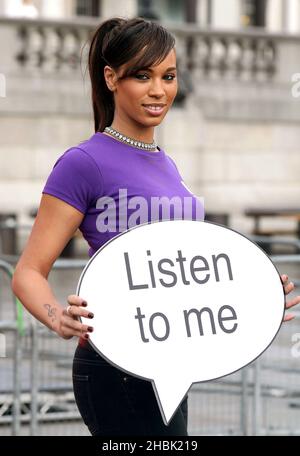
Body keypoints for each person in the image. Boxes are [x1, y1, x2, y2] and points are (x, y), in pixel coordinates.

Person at [12, 16, 300, 436]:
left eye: (168, 76)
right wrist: (57, 317)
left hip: (169, 362)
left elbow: (185, 268)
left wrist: (253, 292)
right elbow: (27, 272)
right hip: (115, 364)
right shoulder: (83, 163)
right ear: (111, 78)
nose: (159, 90)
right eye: (142, 76)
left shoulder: (168, 164)